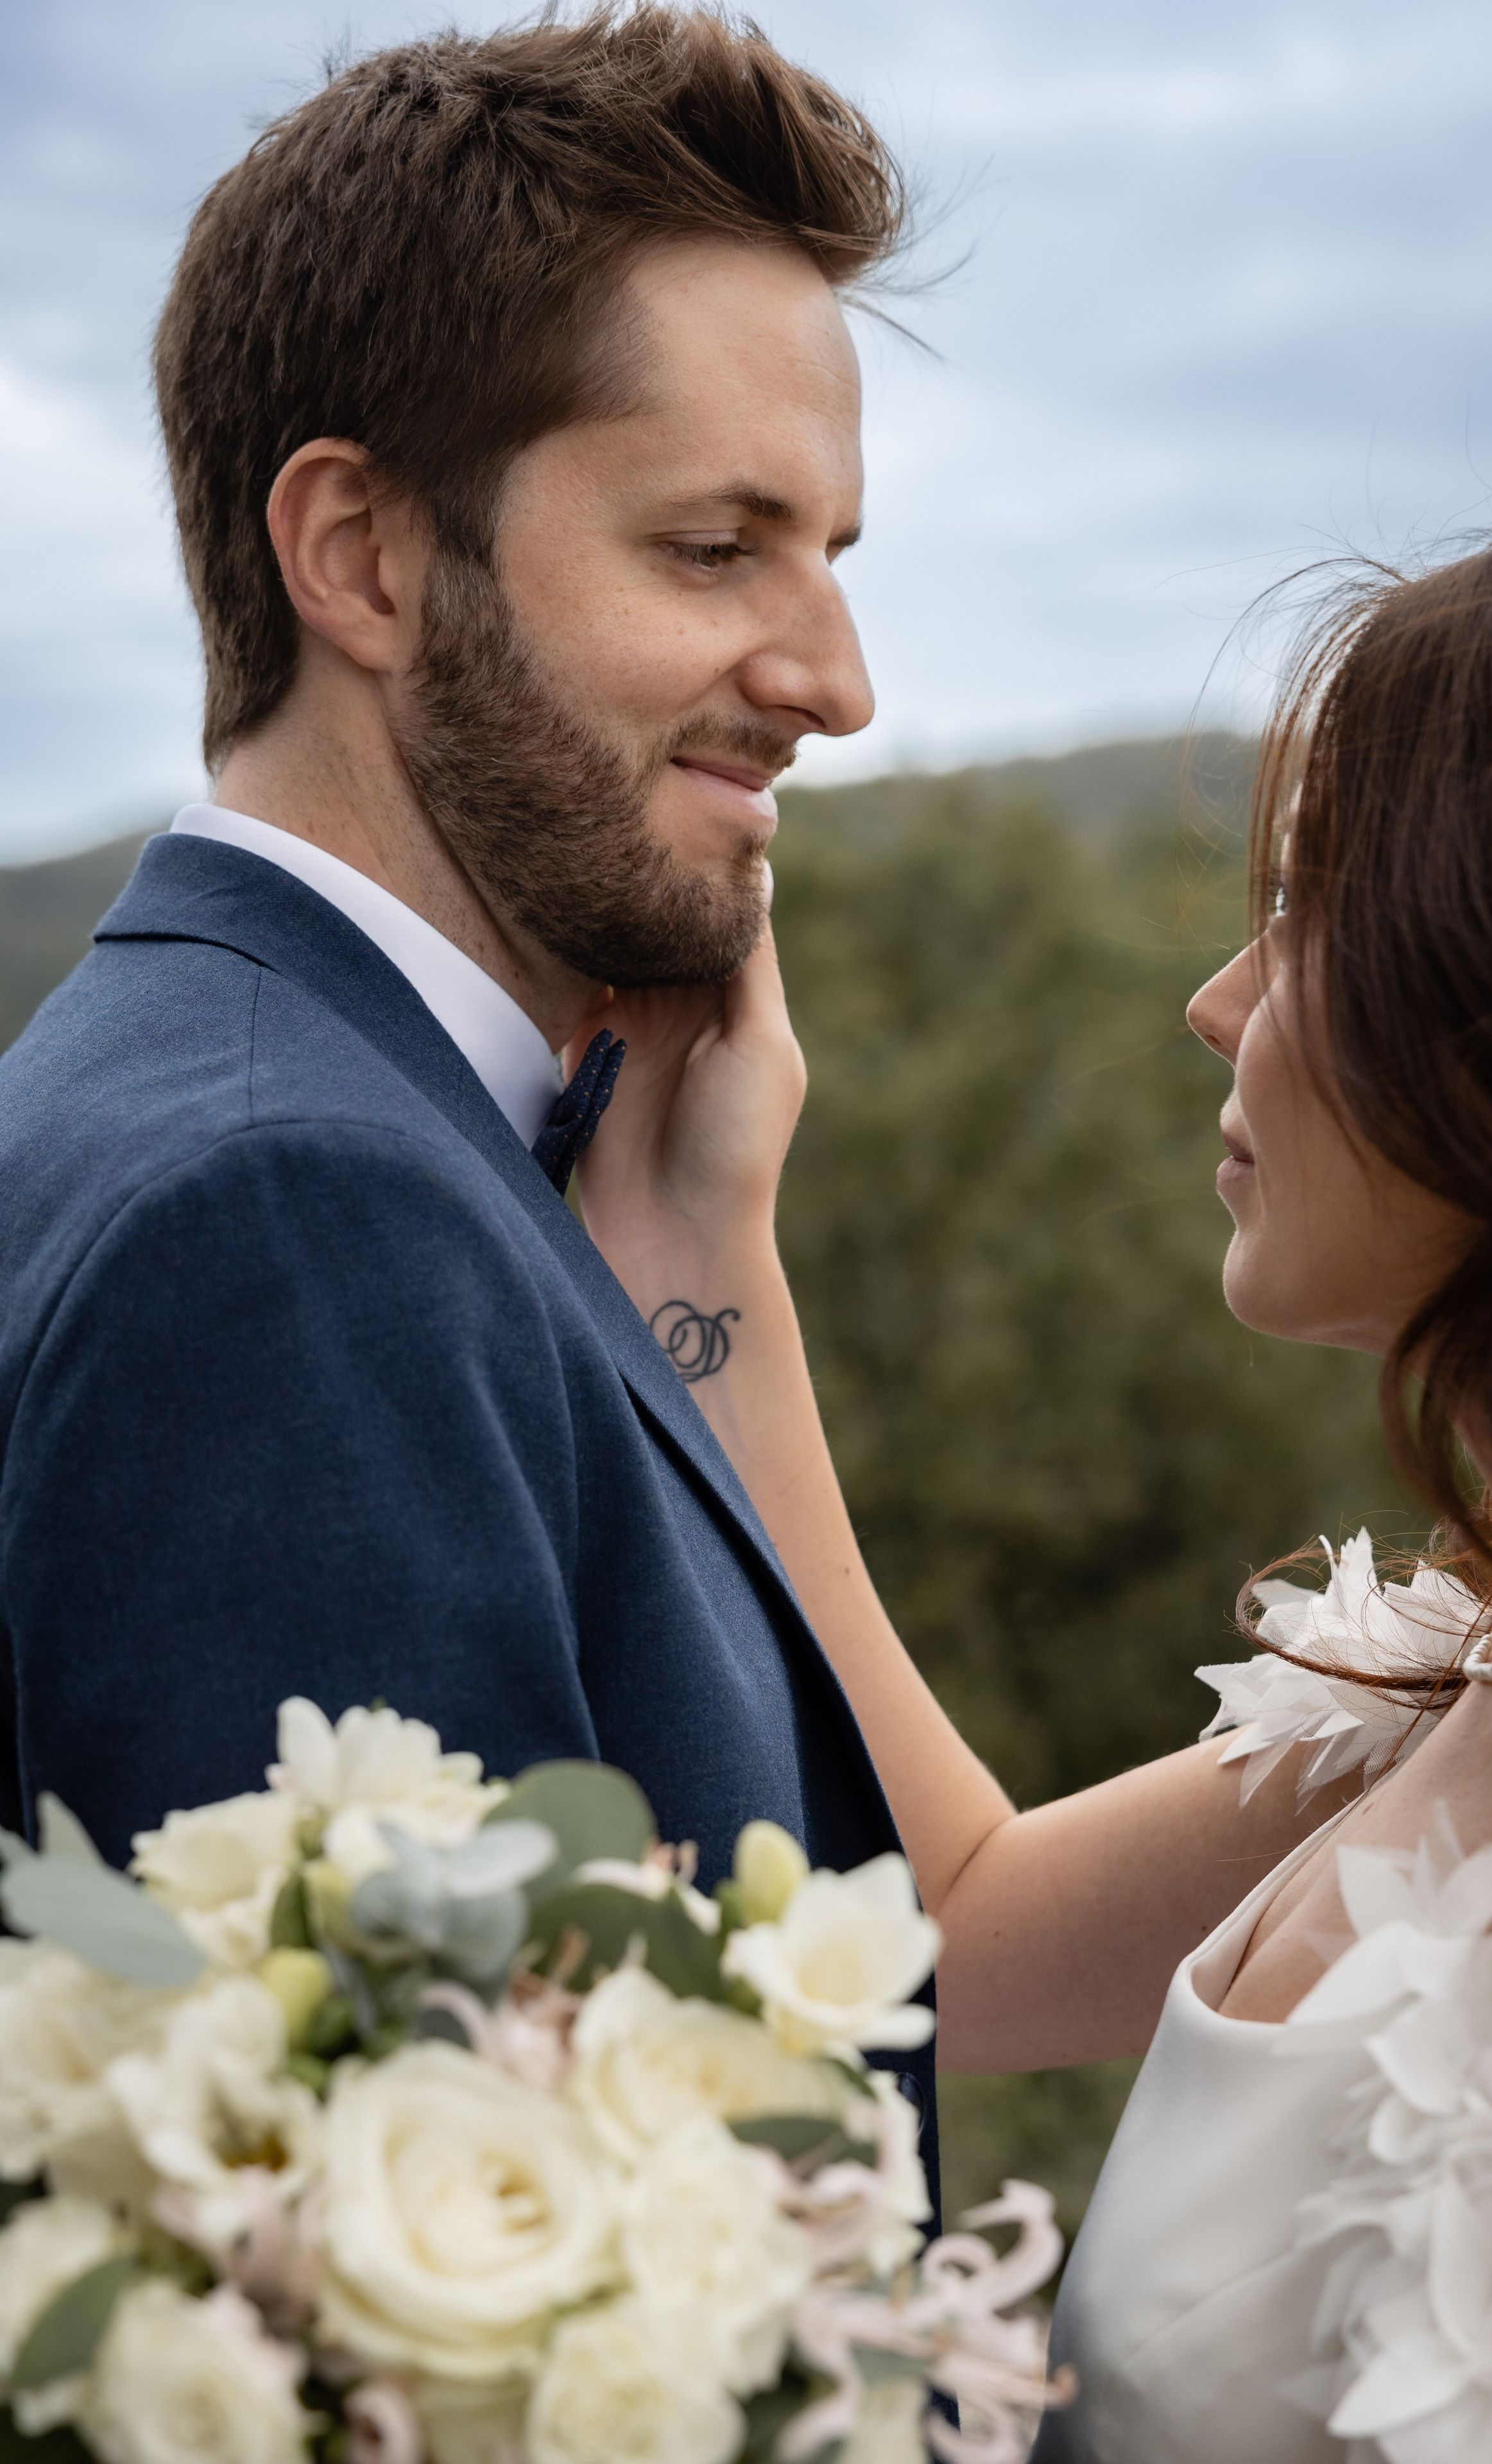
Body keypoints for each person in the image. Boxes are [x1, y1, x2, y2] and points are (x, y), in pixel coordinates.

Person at [573, 524, 1492, 2461]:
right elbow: (950, 1926)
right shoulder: (1451, 1681)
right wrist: (703, 1234)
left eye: (1313, 914)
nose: (1220, 1003)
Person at [0, 8, 954, 2140]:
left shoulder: (240, 1106)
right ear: (360, 556)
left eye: (832, 554)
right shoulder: (287, 1224)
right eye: (716, 550)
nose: (838, 685)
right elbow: (389, 2275)